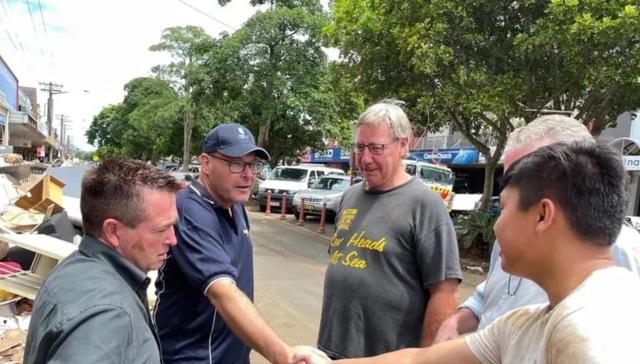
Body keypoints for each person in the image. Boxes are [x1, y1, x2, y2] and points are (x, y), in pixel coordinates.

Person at [296, 141, 640, 363]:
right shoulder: (526, 323)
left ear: (542, 215)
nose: (495, 226)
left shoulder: (592, 330)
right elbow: (418, 361)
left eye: (503, 209)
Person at [434, 115, 640, 342]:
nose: (513, 194)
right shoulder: (510, 239)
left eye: (523, 177)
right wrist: (454, 322)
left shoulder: (622, 250)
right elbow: (491, 297)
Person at [316, 100, 462, 360]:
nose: (365, 158)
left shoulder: (425, 206)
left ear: (403, 145)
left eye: (376, 148)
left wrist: (425, 359)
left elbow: (445, 294)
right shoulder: (349, 197)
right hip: (332, 353)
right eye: (360, 147)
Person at [154, 123, 293, 363]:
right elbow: (222, 291)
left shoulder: (234, 203)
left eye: (252, 165)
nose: (248, 175)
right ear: (206, 163)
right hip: (195, 357)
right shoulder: (189, 211)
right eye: (236, 164)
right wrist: (283, 355)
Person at [24, 159, 181, 363]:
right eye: (161, 230)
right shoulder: (107, 316)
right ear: (113, 231)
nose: (173, 240)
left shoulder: (76, 268)